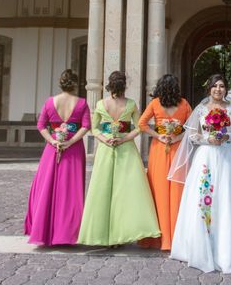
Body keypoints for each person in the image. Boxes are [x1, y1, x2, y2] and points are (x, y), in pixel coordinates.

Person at [169, 74, 231, 273]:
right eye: (215, 86)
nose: (218, 89)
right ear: (209, 89)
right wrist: (208, 140)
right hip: (206, 158)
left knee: (229, 198)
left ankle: (230, 248)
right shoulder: (201, 109)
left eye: (222, 86)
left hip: (228, 157)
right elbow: (193, 135)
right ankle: (200, 247)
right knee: (204, 197)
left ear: (226, 89)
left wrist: (227, 135)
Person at [78, 71, 160, 246]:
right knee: (125, 193)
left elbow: (94, 129)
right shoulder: (131, 104)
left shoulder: (101, 104)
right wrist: (124, 138)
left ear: (109, 85)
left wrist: (105, 138)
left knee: (103, 191)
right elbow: (139, 128)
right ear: (124, 86)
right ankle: (122, 232)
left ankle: (103, 234)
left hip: (106, 149)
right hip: (126, 150)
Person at [24, 69, 90, 246]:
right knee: (71, 190)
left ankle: (44, 232)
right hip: (74, 149)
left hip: (52, 149)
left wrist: (53, 141)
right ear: (75, 84)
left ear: (60, 84)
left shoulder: (49, 101)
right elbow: (86, 126)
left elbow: (41, 125)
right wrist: (71, 141)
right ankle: (68, 234)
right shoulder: (82, 103)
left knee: (47, 187)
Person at [138, 74, 192, 251]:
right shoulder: (184, 104)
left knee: (159, 189)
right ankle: (177, 235)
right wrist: (178, 137)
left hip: (159, 149)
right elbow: (192, 128)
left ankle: (160, 237)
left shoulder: (155, 103)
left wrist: (158, 135)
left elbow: (142, 124)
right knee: (177, 189)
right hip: (177, 149)